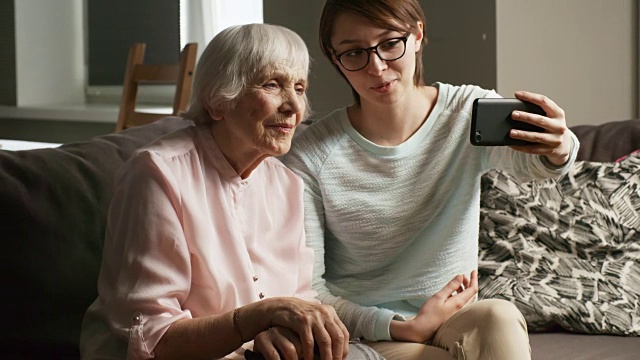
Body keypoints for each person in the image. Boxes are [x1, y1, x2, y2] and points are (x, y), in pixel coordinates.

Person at [280, 1, 580, 359]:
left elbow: (538, 165)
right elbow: (311, 290)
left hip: (455, 318)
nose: (376, 67)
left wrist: (560, 145)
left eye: (391, 43)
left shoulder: (465, 113)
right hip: (370, 334)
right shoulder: (310, 154)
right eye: (355, 52)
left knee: (499, 317)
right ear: (334, 57)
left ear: (417, 34)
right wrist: (399, 326)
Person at [79, 23, 350, 360]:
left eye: (299, 87)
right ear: (218, 100)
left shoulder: (286, 183)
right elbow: (153, 338)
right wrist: (257, 321)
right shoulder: (158, 174)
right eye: (272, 85)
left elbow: (299, 297)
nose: (294, 106)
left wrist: (286, 333)